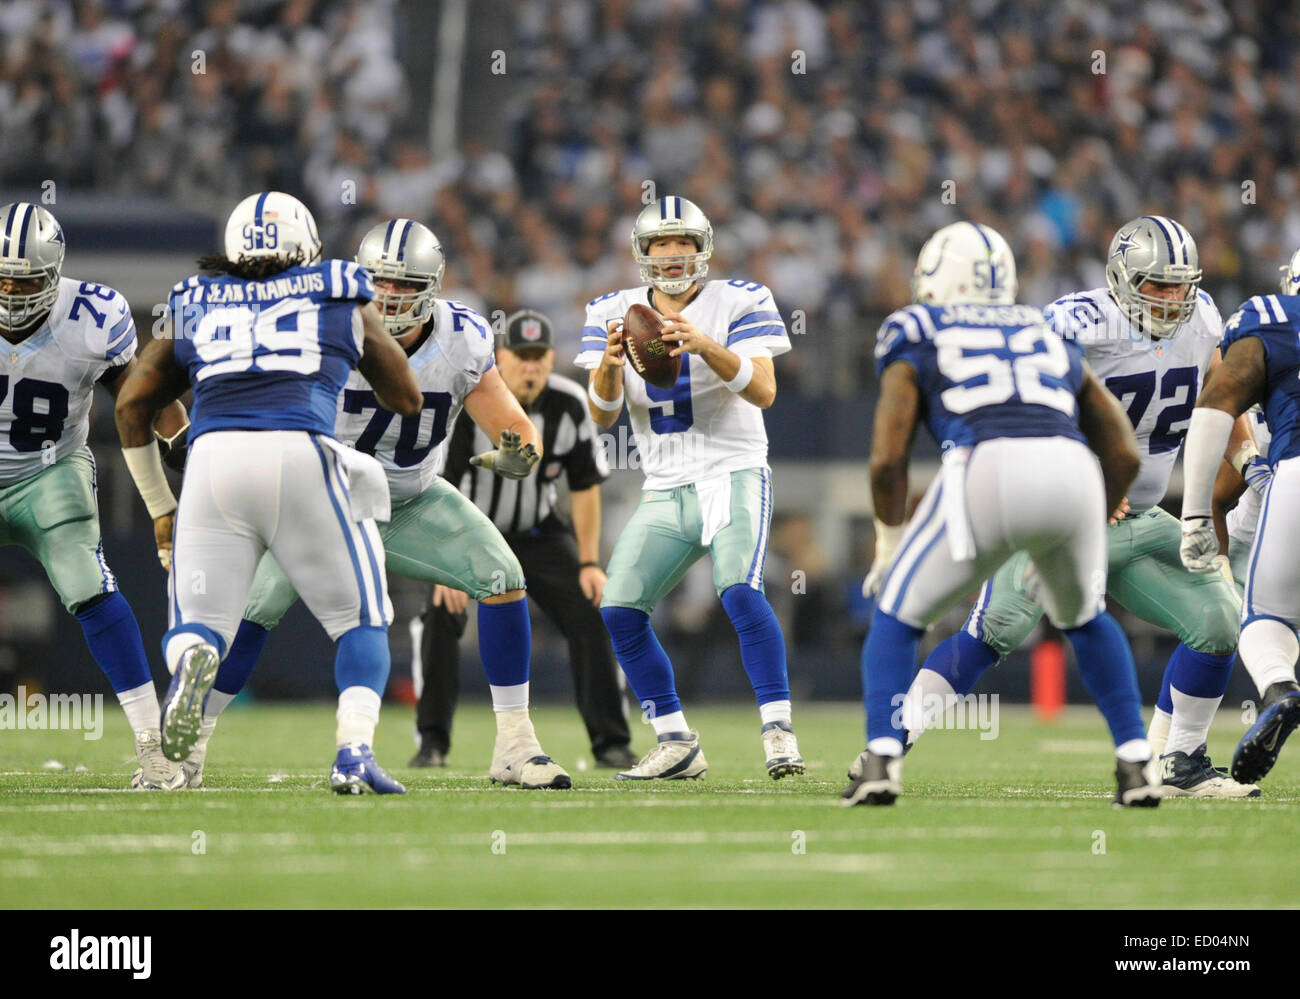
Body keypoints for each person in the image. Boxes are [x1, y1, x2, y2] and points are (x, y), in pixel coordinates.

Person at [181, 220, 573, 791]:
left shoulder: (461, 337)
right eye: (380, 283)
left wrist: (521, 452)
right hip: (318, 500)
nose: (388, 297)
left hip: (409, 497)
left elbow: (510, 422)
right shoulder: (325, 320)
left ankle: (516, 744)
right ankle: (189, 747)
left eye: (404, 285)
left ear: (433, 287)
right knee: (255, 607)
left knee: (503, 575)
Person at [898, 216, 1263, 798]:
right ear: (1121, 278)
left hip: (1137, 516)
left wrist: (1247, 456)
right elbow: (1026, 400)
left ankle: (1179, 764)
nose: (1172, 299)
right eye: (1156, 285)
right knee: (996, 627)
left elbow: (1219, 393)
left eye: (1180, 285)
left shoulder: (1203, 319)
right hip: (1061, 514)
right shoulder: (1080, 323)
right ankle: (892, 740)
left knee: (1220, 620)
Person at [114, 191, 423, 794]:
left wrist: (160, 507)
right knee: (361, 620)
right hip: (298, 454)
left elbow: (132, 404)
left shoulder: (195, 299)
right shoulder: (336, 287)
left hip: (210, 463)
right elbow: (405, 396)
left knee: (201, 625)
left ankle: (190, 670)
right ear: (306, 245)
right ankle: (353, 753)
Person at [845, 219, 1160, 807]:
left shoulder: (914, 326)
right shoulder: (1042, 327)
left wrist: (889, 541)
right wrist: (1088, 517)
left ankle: (883, 758)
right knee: (1086, 619)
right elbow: (1121, 447)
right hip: (1070, 469)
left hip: (981, 465)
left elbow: (888, 459)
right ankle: (1137, 762)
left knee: (895, 615)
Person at [577, 195, 803, 781]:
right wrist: (606, 365)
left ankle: (778, 732)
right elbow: (602, 418)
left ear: (703, 249)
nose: (673, 256)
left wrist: (705, 345)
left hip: (733, 470)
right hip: (665, 483)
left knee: (739, 591)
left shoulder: (740, 299)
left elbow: (765, 392)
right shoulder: (612, 309)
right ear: (642, 253)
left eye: (683, 244)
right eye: (660, 245)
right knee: (621, 608)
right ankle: (675, 740)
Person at [0, 202, 190, 790]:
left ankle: (152, 747)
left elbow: (140, 399)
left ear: (53, 276)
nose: (10, 291)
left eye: (24, 280)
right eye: (1, 277)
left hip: (48, 473)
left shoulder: (91, 314)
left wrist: (187, 450)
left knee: (87, 581)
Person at [412, 308, 636, 769]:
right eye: (521, 356)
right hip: (469, 534)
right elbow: (442, 485)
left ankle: (610, 742)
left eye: (539, 356)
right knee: (440, 613)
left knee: (592, 612)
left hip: (539, 534)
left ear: (552, 359)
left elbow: (584, 485)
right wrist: (445, 564)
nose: (531, 366)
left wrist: (590, 563)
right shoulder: (470, 402)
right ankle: (432, 743)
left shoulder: (569, 403)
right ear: (501, 358)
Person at [1179, 248, 1300, 784]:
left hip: (1294, 471)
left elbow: (1217, 400)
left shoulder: (1273, 320)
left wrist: (1194, 516)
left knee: (1267, 620)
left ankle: (1280, 688)